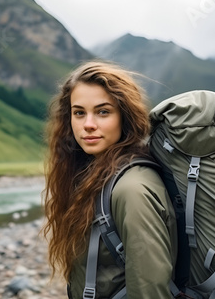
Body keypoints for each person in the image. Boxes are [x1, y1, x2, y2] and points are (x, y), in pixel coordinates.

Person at [42, 61, 177, 298]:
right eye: (79, 113)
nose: (89, 125)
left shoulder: (131, 189)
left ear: (124, 117)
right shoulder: (95, 175)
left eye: (103, 111)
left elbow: (150, 291)